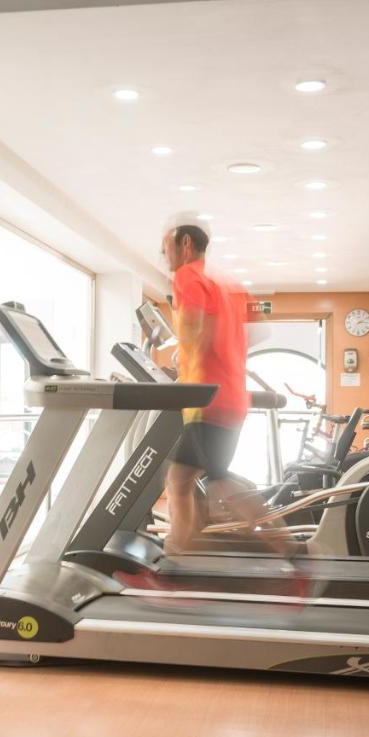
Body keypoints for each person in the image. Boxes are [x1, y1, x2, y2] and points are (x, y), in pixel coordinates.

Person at [159, 219, 289, 558]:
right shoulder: (225, 285)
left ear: (185, 244)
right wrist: (225, 353)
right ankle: (181, 556)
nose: (164, 258)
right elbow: (259, 331)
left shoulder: (188, 276)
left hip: (206, 400)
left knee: (215, 480)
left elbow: (191, 330)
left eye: (166, 249)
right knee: (181, 480)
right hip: (231, 397)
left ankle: (289, 550)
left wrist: (185, 355)